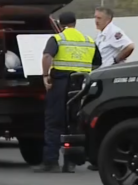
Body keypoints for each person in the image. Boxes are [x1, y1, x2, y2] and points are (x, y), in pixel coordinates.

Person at [38, 11, 101, 173]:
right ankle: (70, 162)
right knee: (74, 122)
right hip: (81, 85)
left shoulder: (58, 38)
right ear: (75, 23)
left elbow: (46, 56)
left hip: (60, 83)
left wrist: (45, 76)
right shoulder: (88, 40)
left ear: (59, 24)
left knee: (54, 121)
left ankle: (51, 162)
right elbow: (97, 63)